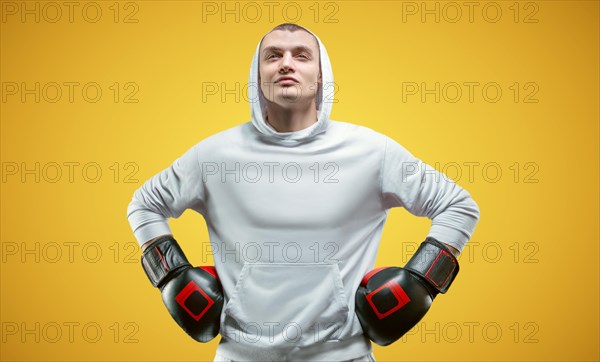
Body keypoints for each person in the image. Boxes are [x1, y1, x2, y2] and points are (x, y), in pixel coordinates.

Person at [127, 23, 480, 362]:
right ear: (258, 75)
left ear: (322, 75)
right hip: (240, 355)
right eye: (273, 55)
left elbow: (457, 205)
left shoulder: (371, 151)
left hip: (343, 355)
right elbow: (145, 204)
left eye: (301, 55)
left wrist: (422, 281)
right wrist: (171, 274)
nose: (286, 64)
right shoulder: (214, 156)